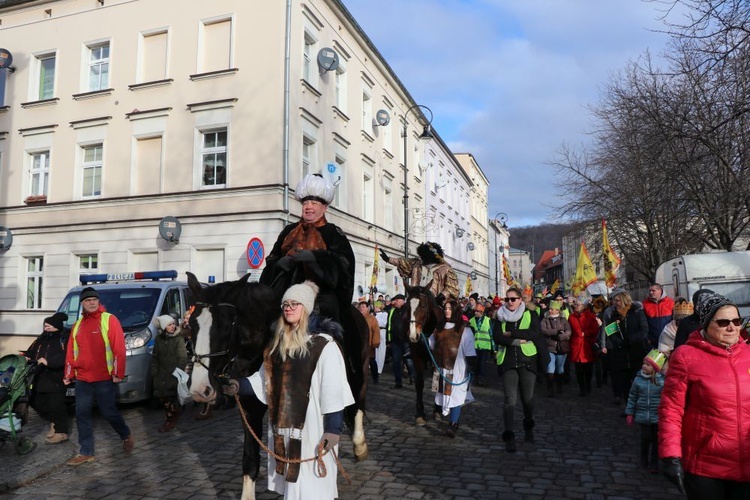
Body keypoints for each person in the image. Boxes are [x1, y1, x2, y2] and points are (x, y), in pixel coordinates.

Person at [224, 281, 354, 499]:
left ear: (307, 308)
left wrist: (333, 429)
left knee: (314, 488)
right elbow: (263, 382)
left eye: (295, 303)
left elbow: (333, 390)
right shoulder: (278, 346)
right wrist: (238, 385)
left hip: (314, 431)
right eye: (285, 304)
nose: (289, 308)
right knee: (293, 488)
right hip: (284, 430)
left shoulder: (325, 345)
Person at [659, 292, 750, 498]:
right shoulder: (686, 356)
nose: (732, 327)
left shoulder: (748, 354)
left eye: (737, 321)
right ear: (707, 324)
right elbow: (671, 409)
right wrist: (670, 456)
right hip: (706, 465)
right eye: (723, 322)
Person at [260, 172, 354, 325]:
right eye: (305, 203)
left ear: (324, 208)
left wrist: (315, 259)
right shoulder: (288, 231)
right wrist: (280, 263)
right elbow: (272, 259)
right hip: (286, 295)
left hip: (321, 296)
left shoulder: (333, 233)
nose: (309, 207)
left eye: (314, 203)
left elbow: (344, 265)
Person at [63, 287, 134, 466]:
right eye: (88, 300)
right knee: (82, 414)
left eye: (94, 299)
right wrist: (68, 373)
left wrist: (118, 373)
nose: (92, 302)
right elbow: (71, 351)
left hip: (103, 377)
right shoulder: (78, 325)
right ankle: (86, 452)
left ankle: (125, 434)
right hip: (83, 379)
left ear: (98, 301)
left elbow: (118, 348)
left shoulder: (109, 319)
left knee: (108, 412)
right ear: (82, 304)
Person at [493, 286, 549, 452]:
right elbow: (497, 337)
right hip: (508, 361)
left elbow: (535, 333)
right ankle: (509, 435)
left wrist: (511, 334)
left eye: (513, 299)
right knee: (509, 399)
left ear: (520, 300)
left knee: (527, 400)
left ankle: (528, 426)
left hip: (527, 361)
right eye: (507, 299)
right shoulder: (500, 317)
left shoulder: (530, 314)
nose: (510, 302)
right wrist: (517, 340)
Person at [429, 299, 476, 438]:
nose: (447, 310)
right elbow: (432, 345)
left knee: (456, 395)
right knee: (443, 395)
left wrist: (471, 369)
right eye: (445, 308)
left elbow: (470, 352)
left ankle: (453, 423)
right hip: (441, 367)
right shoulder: (439, 329)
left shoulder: (465, 330)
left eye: (450, 308)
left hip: (457, 367)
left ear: (455, 310)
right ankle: (446, 417)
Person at [24, 312, 70, 444]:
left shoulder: (63, 340)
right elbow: (30, 352)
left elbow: (66, 357)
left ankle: (62, 432)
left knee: (56, 405)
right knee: (36, 402)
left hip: (56, 378)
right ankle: (53, 422)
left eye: (49, 325)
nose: (46, 327)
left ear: (57, 326)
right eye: (45, 325)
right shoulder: (39, 340)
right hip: (39, 378)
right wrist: (27, 357)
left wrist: (48, 361)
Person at [601, 289, 649, 406]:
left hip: (636, 351)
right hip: (620, 353)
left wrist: (631, 339)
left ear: (623, 300)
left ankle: (639, 405)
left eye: (617, 300)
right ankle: (628, 407)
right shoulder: (613, 314)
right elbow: (610, 332)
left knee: (637, 380)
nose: (615, 303)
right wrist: (619, 342)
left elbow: (644, 330)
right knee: (624, 382)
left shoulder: (637, 312)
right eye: (614, 300)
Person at [625, 349, 665, 473]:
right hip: (643, 415)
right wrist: (630, 413)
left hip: (657, 416)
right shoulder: (638, 380)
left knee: (656, 440)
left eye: (647, 364)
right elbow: (632, 397)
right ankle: (644, 457)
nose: (644, 366)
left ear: (655, 368)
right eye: (643, 363)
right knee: (645, 438)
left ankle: (654, 462)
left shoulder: (662, 382)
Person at [379, 242, 459, 304]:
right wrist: (388, 259)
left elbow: (451, 288)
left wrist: (441, 297)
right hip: (416, 298)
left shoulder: (445, 270)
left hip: (436, 301)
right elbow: (402, 262)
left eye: (425, 256)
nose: (422, 258)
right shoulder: (417, 264)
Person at [151, 314, 188, 432]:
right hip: (161, 374)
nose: (172, 326)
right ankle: (171, 417)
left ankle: (170, 420)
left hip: (174, 373)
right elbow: (155, 357)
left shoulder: (178, 338)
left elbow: (182, 357)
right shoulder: (159, 339)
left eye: (173, 324)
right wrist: (154, 372)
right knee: (163, 398)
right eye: (169, 325)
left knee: (171, 398)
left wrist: (177, 372)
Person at [568, 298, 601, 396]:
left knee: (588, 369)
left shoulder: (591, 316)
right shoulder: (571, 317)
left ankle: (588, 385)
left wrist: (585, 333)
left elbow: (595, 330)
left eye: (577, 305)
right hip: (576, 345)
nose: (575, 307)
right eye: (575, 305)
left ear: (584, 306)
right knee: (578, 369)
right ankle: (582, 388)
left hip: (587, 345)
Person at [540, 300, 572, 397]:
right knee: (550, 367)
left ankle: (559, 386)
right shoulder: (545, 320)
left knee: (560, 368)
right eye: (549, 309)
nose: (550, 310)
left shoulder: (563, 320)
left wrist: (560, 337)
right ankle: (550, 388)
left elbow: (568, 331)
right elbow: (543, 330)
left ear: (557, 310)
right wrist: (556, 332)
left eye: (552, 309)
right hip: (549, 347)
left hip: (561, 348)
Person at [385, 294, 414, 389]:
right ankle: (398, 382)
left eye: (396, 300)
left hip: (406, 341)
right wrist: (388, 341)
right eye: (394, 300)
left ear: (402, 300)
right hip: (395, 341)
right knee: (396, 362)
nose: (394, 302)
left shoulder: (408, 310)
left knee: (408, 361)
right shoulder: (392, 311)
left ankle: (413, 378)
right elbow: (388, 327)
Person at [642, 283, 674, 348]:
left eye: (653, 290)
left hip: (668, 340)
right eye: (649, 291)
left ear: (660, 291)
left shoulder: (671, 303)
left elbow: (675, 322)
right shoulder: (644, 304)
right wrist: (646, 339)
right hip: (651, 342)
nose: (650, 292)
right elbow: (642, 324)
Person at [468, 303, 493, 386]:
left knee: (482, 362)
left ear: (482, 312)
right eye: (475, 311)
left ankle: (481, 378)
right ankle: (475, 376)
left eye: (478, 311)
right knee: (476, 362)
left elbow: (491, 333)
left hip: (485, 346)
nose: (476, 313)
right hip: (474, 345)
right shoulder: (471, 321)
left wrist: (494, 348)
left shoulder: (487, 320)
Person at [357, 301, 381, 385]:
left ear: (367, 308)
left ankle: (375, 378)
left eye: (363, 307)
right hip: (359, 344)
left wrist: (375, 343)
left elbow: (376, 332)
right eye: (360, 307)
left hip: (369, 344)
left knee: (371, 361)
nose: (361, 308)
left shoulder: (372, 319)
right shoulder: (357, 318)